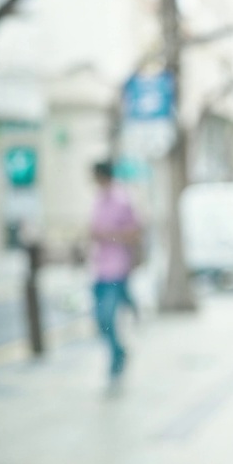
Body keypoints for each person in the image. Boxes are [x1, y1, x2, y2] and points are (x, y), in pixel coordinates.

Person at [88, 160, 141, 383]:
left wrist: (108, 235)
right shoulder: (98, 201)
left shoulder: (122, 200)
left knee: (108, 316)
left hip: (117, 268)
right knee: (99, 320)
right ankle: (118, 351)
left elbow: (135, 232)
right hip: (99, 268)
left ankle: (116, 359)